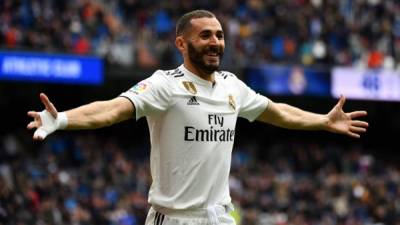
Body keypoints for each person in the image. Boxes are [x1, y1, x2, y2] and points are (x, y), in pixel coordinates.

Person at [27, 10, 368, 225]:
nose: (215, 42)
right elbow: (112, 108)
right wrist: (64, 119)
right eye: (205, 35)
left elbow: (277, 112)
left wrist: (322, 120)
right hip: (174, 218)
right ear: (181, 43)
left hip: (220, 216)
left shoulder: (231, 86)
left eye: (219, 35)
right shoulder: (164, 84)